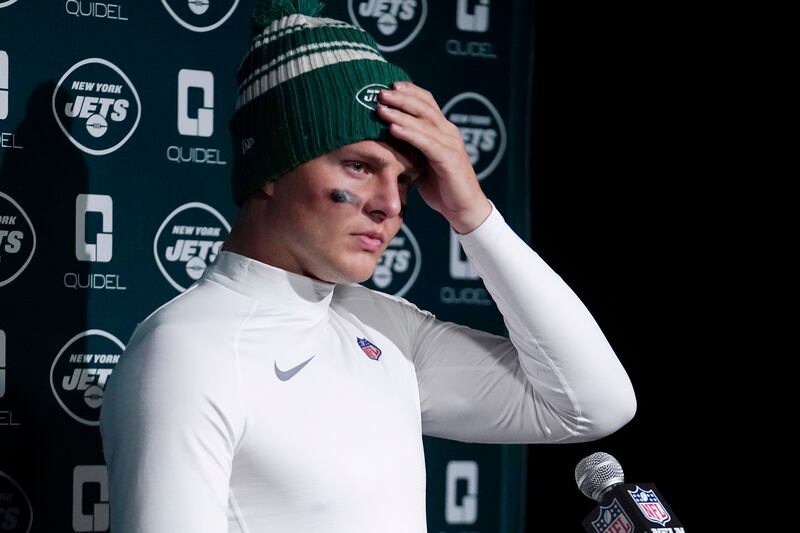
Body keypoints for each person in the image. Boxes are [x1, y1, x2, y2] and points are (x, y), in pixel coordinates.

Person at [99, 2, 636, 532]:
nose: (392, 204)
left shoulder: (384, 327)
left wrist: (472, 213)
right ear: (270, 169)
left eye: (404, 179)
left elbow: (592, 405)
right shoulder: (186, 351)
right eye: (359, 166)